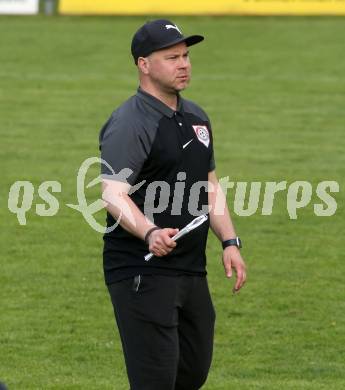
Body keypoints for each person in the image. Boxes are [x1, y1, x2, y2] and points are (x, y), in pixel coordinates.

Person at [99, 19, 247, 390]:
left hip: (190, 269)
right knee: (156, 379)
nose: (184, 64)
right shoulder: (130, 122)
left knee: (192, 372)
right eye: (171, 57)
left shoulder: (197, 117)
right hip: (142, 270)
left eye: (185, 56)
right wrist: (148, 231)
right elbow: (112, 193)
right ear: (144, 64)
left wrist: (230, 242)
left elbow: (209, 186)